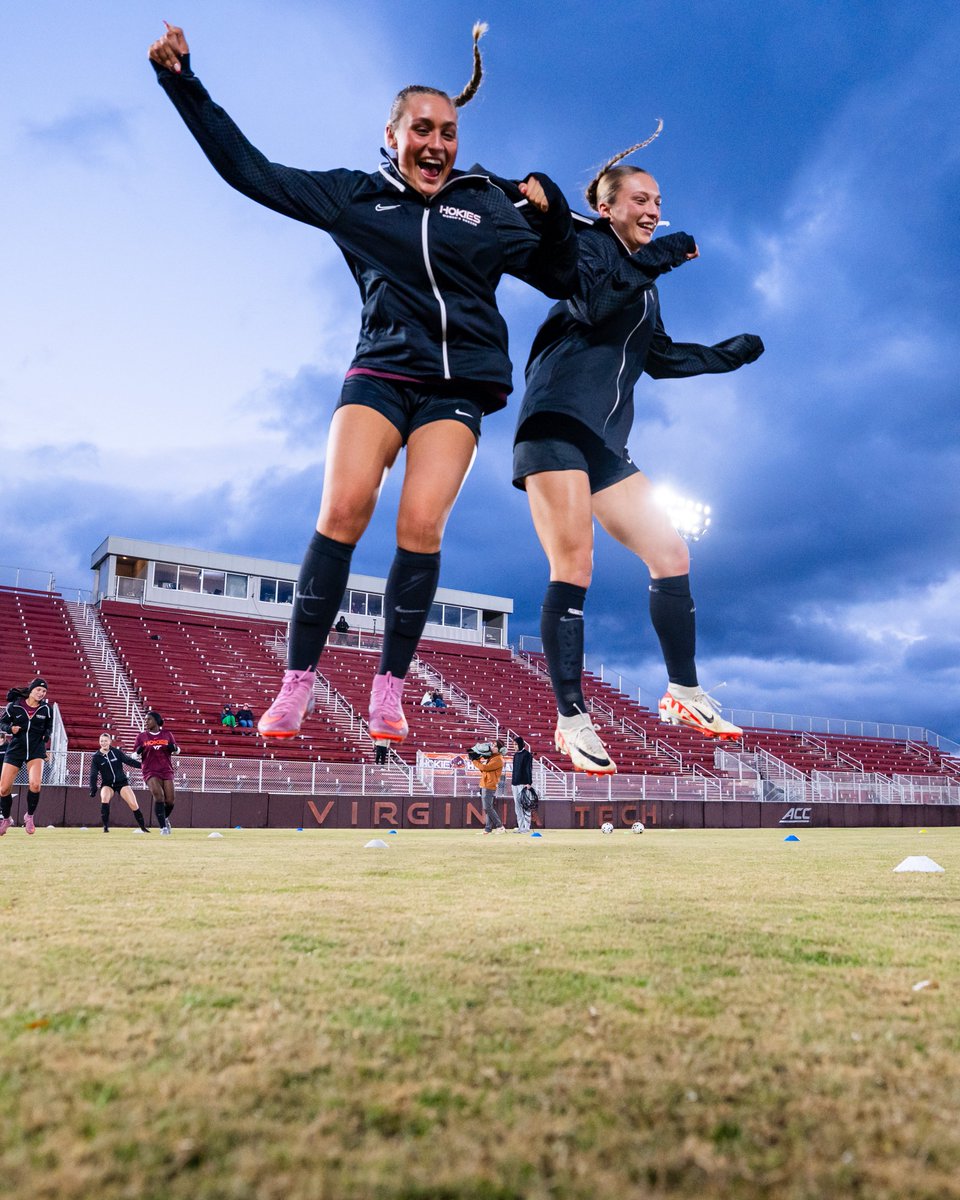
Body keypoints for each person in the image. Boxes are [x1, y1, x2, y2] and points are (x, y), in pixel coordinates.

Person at [148, 21, 577, 748]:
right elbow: (250, 170)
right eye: (423, 129)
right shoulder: (355, 199)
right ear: (392, 131)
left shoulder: (487, 208)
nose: (437, 144)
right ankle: (297, 682)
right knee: (344, 507)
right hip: (380, 370)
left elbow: (565, 278)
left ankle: (389, 685)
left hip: (458, 386)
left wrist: (556, 213)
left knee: (420, 525)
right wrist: (182, 83)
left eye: (448, 132)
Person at [511, 131, 763, 772]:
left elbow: (662, 357)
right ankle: (570, 718)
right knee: (576, 565)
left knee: (670, 551)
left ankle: (681, 691)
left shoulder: (644, 282)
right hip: (555, 424)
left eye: (659, 203)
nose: (654, 211)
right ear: (607, 207)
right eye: (641, 200)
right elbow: (594, 300)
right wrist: (666, 257)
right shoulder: (590, 249)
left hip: (603, 441)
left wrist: (726, 356)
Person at [0, 679, 53, 836]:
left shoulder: (46, 709)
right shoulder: (15, 706)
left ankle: (29, 816)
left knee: (35, 785)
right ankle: (7, 819)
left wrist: (46, 736)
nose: (41, 693)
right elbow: (2, 723)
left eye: (44, 691)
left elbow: (49, 727)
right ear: (31, 690)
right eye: (38, 690)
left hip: (36, 749)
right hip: (16, 749)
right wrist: (10, 728)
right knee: (3, 788)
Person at [89, 733, 149, 833]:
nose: (103, 743)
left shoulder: (116, 752)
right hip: (107, 784)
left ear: (109, 741)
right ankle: (105, 828)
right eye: (101, 741)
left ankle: (143, 828)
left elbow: (129, 761)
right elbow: (93, 774)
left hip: (122, 783)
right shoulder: (96, 757)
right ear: (99, 742)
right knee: (104, 798)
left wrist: (144, 766)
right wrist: (93, 788)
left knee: (133, 804)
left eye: (105, 740)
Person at [133, 711, 180, 835]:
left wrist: (174, 749)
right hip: (150, 770)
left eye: (149, 719)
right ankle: (163, 828)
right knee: (159, 796)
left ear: (156, 721)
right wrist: (138, 751)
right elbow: (133, 756)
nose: (146, 721)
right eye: (145, 719)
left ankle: (164, 818)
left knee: (170, 800)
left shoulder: (167, 734)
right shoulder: (141, 737)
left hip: (166, 769)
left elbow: (176, 750)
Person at [468, 741, 505, 834]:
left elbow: (485, 768)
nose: (492, 747)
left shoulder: (498, 759)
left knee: (487, 807)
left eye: (495, 746)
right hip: (486, 784)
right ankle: (488, 829)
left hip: (489, 785)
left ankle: (500, 826)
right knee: (488, 807)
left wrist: (474, 761)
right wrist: (478, 759)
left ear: (499, 749)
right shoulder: (493, 757)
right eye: (492, 745)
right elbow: (484, 770)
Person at [510, 734, 533, 831]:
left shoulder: (527, 755)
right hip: (515, 783)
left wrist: (529, 782)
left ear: (520, 744)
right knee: (517, 806)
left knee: (525, 805)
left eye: (515, 744)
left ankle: (526, 827)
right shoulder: (515, 755)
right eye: (513, 745)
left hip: (523, 784)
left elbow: (528, 769)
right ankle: (520, 826)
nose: (514, 746)